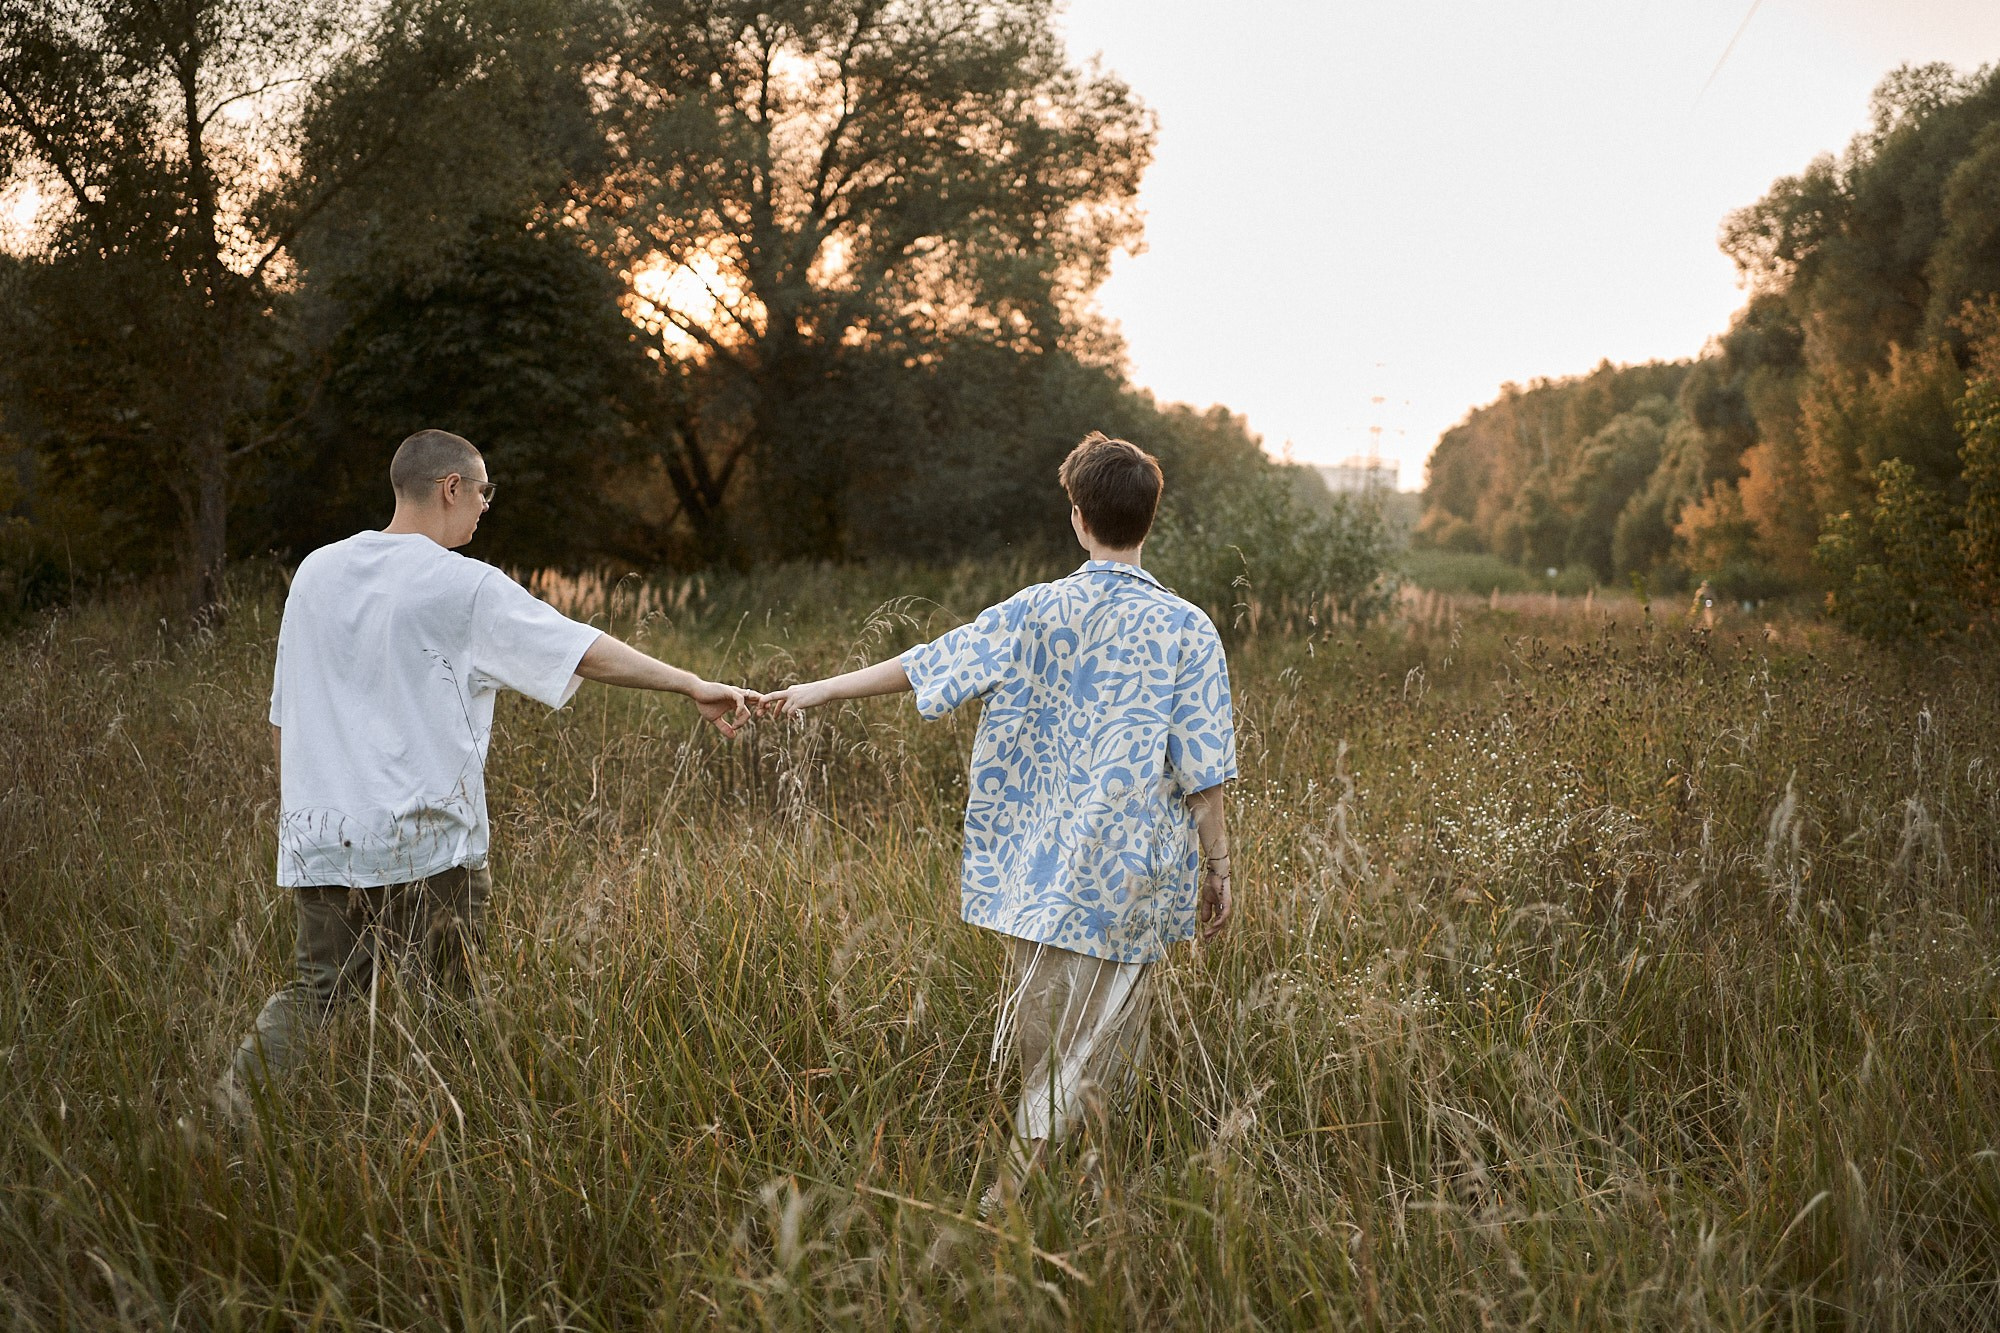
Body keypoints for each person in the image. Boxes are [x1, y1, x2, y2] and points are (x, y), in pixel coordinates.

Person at [760, 431, 1236, 1205]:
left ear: (1078, 517)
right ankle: (1024, 1202)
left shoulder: (1031, 611)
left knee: (1049, 1055)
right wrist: (1219, 869)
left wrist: (819, 688)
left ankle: (1056, 1203)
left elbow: (925, 663)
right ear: (1150, 518)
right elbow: (1203, 779)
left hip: (1032, 877)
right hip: (1132, 882)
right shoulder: (1189, 628)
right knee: (1101, 1055)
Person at [219, 428, 753, 1116]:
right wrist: (690, 683)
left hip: (325, 837)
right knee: (451, 1007)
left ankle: (223, 1120)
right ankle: (457, 1137)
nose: (485, 506)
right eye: (483, 491)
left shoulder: (317, 573)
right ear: (451, 488)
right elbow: (582, 650)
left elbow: (283, 713)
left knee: (316, 996)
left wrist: (301, 819)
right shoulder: (462, 585)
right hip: (431, 844)